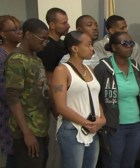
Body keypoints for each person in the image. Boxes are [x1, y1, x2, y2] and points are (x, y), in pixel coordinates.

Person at [51, 31, 106, 168]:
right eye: (88, 45)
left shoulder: (89, 69)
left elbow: (94, 97)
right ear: (75, 48)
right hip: (72, 129)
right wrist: (86, 123)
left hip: (92, 129)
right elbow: (60, 106)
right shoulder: (62, 70)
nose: (92, 48)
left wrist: (102, 118)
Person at [94, 32, 140, 168]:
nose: (129, 47)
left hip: (136, 125)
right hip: (114, 126)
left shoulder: (135, 66)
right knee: (113, 163)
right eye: (125, 44)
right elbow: (95, 96)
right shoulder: (103, 68)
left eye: (131, 43)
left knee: (129, 163)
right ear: (114, 47)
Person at [4, 18, 50, 168]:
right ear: (28, 34)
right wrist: (27, 133)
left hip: (40, 128)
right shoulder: (17, 60)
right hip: (28, 130)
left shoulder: (36, 59)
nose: (44, 43)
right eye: (42, 39)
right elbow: (12, 97)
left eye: (46, 40)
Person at [36, 7, 70, 168]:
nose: (68, 25)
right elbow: (50, 79)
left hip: (66, 99)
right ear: (52, 24)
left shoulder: (63, 44)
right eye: (63, 23)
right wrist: (56, 106)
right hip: (54, 104)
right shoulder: (47, 46)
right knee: (55, 148)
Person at [0, 15, 22, 168]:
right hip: (8, 114)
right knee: (14, 155)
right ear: (3, 34)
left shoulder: (20, 52)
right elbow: (3, 89)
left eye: (20, 28)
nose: (19, 32)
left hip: (25, 112)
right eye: (14, 30)